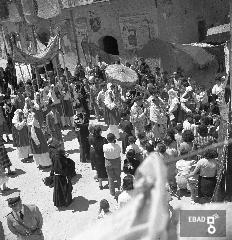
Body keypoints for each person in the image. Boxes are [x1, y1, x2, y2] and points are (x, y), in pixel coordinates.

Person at [27, 105, 52, 169]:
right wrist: (37, 143)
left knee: (39, 152)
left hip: (37, 139)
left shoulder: (33, 123)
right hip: (37, 140)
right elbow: (33, 134)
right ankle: (44, 164)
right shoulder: (33, 124)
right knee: (41, 151)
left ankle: (42, 164)